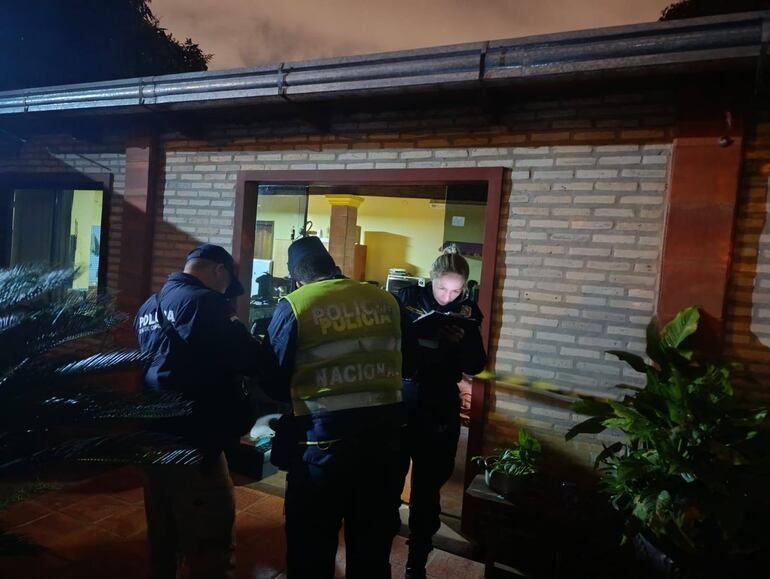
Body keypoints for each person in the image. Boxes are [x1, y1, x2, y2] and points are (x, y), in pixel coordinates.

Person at [261, 235, 405, 579]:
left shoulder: (296, 305)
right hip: (384, 446)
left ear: (297, 277)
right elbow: (408, 362)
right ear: (333, 265)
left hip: (323, 449)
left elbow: (273, 381)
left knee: (311, 549)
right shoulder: (385, 299)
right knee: (371, 551)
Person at [134, 244, 263, 579]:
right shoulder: (206, 302)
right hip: (195, 441)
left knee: (163, 535)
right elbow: (248, 357)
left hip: (153, 436)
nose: (226, 292)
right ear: (219, 270)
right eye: (227, 284)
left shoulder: (150, 305)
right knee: (211, 541)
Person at [396, 246, 487, 579]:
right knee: (390, 475)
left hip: (440, 403)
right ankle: (381, 542)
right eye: (442, 288)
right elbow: (389, 345)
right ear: (430, 279)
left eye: (455, 291)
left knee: (428, 485)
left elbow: (476, 365)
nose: (447, 297)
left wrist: (461, 341)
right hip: (404, 397)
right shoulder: (407, 298)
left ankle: (417, 559)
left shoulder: (467, 312)